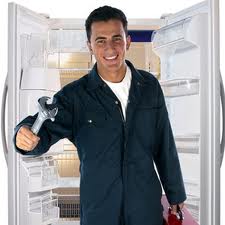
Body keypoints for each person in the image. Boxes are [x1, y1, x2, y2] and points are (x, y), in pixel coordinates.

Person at [14, 5, 186, 225]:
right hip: (100, 211)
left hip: (146, 208)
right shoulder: (75, 96)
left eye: (117, 38)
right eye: (100, 41)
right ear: (90, 47)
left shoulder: (149, 86)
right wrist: (23, 133)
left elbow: (164, 143)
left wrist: (175, 192)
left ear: (128, 41)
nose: (110, 48)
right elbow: (42, 128)